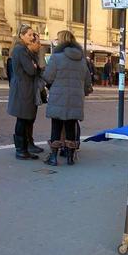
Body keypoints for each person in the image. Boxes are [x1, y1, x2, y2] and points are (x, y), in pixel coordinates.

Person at [43, 30, 92, 166]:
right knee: (71, 127)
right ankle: (70, 157)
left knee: (56, 127)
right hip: (75, 99)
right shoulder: (82, 60)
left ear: (61, 41)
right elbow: (87, 80)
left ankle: (53, 157)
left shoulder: (56, 57)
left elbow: (48, 77)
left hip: (58, 98)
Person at [7, 24, 41, 160]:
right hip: (23, 89)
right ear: (21, 35)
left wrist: (35, 66)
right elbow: (31, 70)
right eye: (30, 34)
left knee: (25, 120)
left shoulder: (23, 50)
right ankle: (21, 150)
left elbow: (34, 67)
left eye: (33, 35)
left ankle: (24, 148)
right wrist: (34, 66)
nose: (32, 37)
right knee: (22, 119)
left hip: (25, 88)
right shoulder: (20, 50)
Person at [26, 32, 45, 154]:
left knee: (30, 119)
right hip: (27, 92)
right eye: (38, 42)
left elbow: (41, 69)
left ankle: (29, 143)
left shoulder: (34, 56)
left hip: (33, 91)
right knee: (26, 119)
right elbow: (34, 71)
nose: (40, 45)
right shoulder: (25, 55)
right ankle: (26, 144)